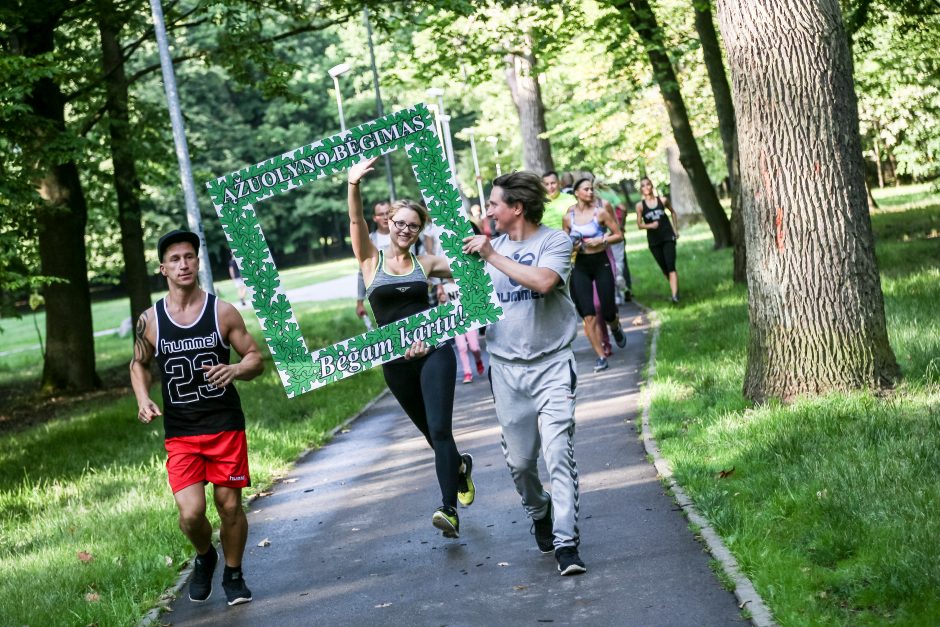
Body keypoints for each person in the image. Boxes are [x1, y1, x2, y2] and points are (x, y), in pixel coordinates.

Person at [462, 171, 587, 576]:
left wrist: (492, 257)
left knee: (558, 455)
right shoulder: (486, 250)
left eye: (495, 203)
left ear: (516, 207)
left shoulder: (554, 241)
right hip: (506, 371)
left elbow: (546, 282)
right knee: (520, 463)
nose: (490, 211)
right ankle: (539, 512)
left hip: (553, 364)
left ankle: (567, 543)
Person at [130, 229, 265, 607]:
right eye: (175, 259)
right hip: (182, 431)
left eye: (189, 256)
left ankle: (234, 574)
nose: (183, 264)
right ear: (163, 268)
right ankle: (206, 555)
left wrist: (235, 370)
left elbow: (255, 357)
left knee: (230, 506)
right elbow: (138, 364)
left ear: (198, 261)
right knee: (191, 515)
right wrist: (143, 398)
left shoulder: (221, 311)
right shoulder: (150, 321)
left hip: (224, 426)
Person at [348, 156, 475, 538]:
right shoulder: (371, 260)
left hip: (434, 350)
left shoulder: (429, 261)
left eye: (412, 225)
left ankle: (448, 509)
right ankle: (458, 469)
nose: (404, 229)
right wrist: (353, 184)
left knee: (439, 428)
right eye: (399, 223)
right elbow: (356, 222)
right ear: (388, 224)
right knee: (429, 433)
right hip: (395, 361)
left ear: (420, 229)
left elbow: (474, 269)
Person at [563, 178, 627, 372]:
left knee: (607, 311)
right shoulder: (568, 216)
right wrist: (572, 244)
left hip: (601, 262)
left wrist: (602, 240)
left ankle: (615, 326)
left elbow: (619, 235)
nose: (590, 192)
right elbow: (565, 241)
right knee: (589, 314)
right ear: (576, 193)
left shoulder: (600, 213)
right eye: (586, 189)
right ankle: (601, 356)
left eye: (591, 189)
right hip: (580, 265)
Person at [636, 177, 680, 303]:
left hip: (667, 237)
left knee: (671, 266)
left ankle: (675, 297)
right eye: (643, 185)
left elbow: (673, 213)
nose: (646, 187)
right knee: (665, 269)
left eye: (648, 184)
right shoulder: (640, 206)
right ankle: (675, 288)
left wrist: (675, 230)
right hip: (654, 241)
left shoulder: (663, 200)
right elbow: (639, 225)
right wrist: (650, 225)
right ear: (641, 189)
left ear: (652, 186)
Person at [355, 201, 392, 330]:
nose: (385, 217)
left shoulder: (403, 234)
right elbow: (362, 273)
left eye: (388, 212)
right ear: (375, 218)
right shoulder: (370, 240)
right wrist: (360, 302)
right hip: (383, 299)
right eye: (381, 214)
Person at [440, 279, 486, 384]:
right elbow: (442, 308)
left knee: (474, 347)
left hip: (469, 319)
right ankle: (467, 373)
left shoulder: (465, 281)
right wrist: (442, 301)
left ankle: (478, 360)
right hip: (456, 321)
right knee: (462, 347)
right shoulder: (445, 287)